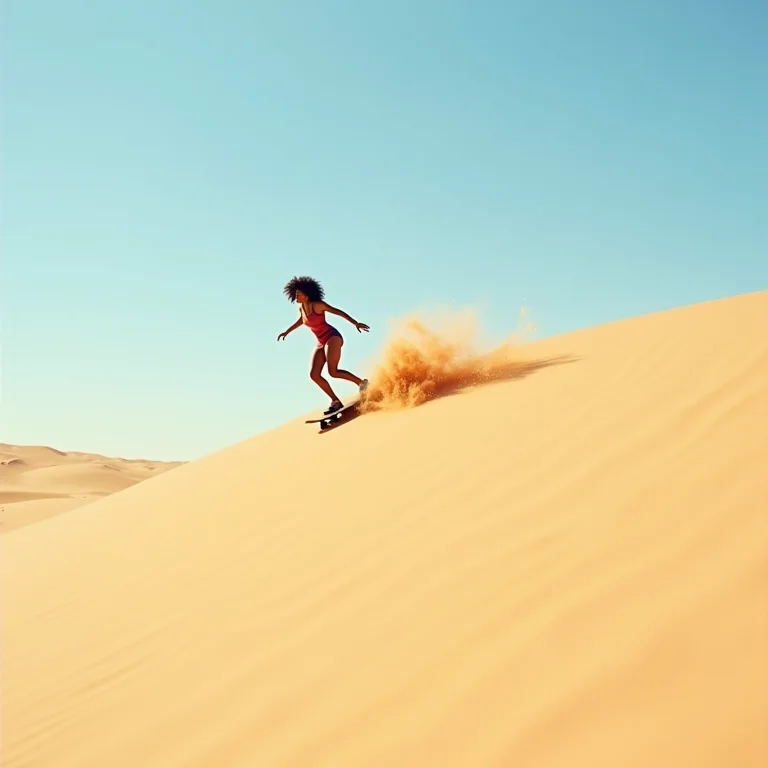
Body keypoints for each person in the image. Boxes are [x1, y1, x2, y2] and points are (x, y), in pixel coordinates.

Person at [278, 275, 370, 414]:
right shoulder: (302, 308)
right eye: (295, 293)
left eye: (299, 293)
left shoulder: (318, 305)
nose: (296, 296)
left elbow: (338, 312)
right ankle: (335, 401)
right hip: (321, 342)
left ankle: (362, 383)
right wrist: (287, 331)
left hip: (332, 337)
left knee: (333, 372)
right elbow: (302, 321)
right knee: (314, 375)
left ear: (307, 294)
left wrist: (355, 323)